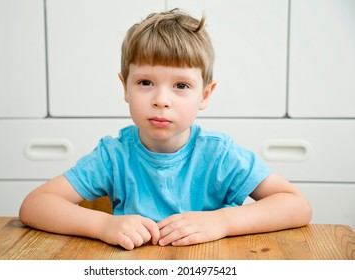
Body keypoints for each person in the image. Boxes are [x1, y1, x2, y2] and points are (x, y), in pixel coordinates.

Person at [19, 8, 312, 250]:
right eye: (145, 82)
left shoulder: (220, 154)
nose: (161, 100)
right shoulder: (113, 155)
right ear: (125, 87)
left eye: (181, 86)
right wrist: (104, 225)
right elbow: (35, 205)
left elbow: (296, 206)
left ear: (205, 95)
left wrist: (221, 222)